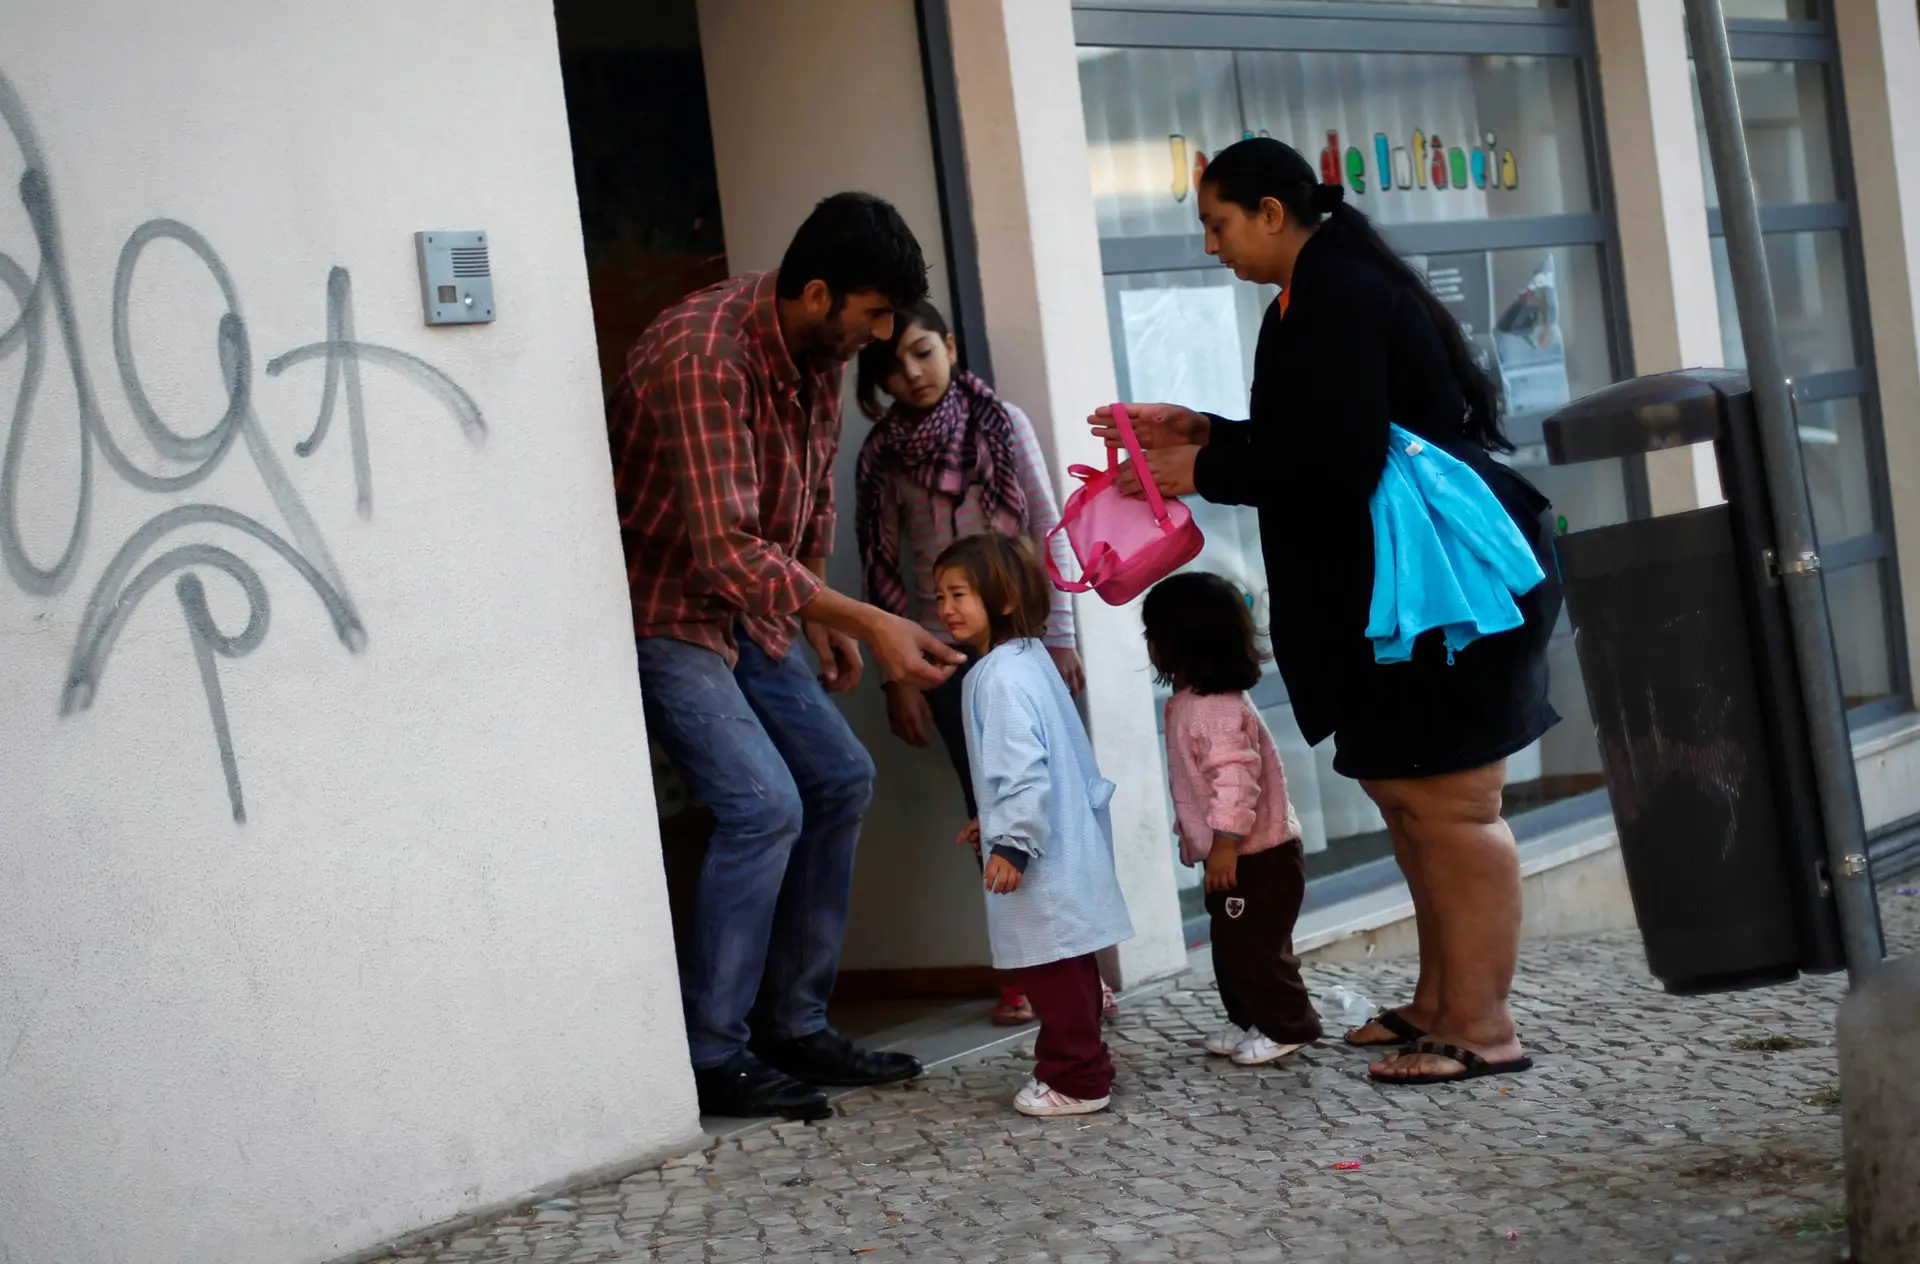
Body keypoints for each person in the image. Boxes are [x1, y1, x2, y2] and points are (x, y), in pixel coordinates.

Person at [1090, 138, 1560, 1087]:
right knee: (1409, 803)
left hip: (1441, 596)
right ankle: (1439, 1003)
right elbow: (1329, 436)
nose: (1210, 245)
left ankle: (1483, 1024)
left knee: (1454, 810)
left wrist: (1209, 469)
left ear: (1272, 211)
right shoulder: (1307, 298)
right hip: (1396, 597)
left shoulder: (1339, 292)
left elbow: (1340, 463)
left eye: (1217, 223)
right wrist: (1206, 432)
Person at [610, 191, 966, 1121]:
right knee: (762, 804)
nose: (886, 336)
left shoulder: (816, 350)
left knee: (840, 777)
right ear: (818, 292)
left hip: (751, 609)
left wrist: (815, 613)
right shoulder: (706, 355)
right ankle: (711, 1051)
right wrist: (868, 622)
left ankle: (794, 1025)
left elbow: (808, 496)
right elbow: (724, 546)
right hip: (664, 610)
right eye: (875, 313)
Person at [853, 300, 1116, 1028]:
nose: (912, 375)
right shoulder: (880, 455)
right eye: (893, 365)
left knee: (1053, 803)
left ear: (951, 344)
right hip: (940, 657)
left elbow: (1046, 525)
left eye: (923, 353)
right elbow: (883, 568)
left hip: (1024, 641)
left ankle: (1081, 968)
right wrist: (897, 675)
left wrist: (1059, 637)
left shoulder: (1001, 425)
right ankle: (1027, 973)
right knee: (990, 807)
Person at [936, 533, 1132, 1116]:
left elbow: (1023, 770)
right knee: (1069, 962)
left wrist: (1013, 844)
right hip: (1062, 838)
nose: (946, 608)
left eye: (959, 594)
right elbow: (1032, 762)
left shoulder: (996, 677)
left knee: (1052, 970)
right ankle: (1088, 1063)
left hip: (1042, 852)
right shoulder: (1029, 661)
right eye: (940, 596)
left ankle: (1076, 1080)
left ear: (1000, 598)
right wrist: (990, 820)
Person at [1142, 571, 1323, 1067]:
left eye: (1152, 635)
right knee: (1231, 944)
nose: (1149, 645)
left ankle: (1290, 1023)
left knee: (1257, 948)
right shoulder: (1190, 704)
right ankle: (1248, 1018)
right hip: (1235, 854)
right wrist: (1201, 842)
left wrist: (1222, 844)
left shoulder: (1213, 710)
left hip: (1255, 855)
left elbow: (1236, 779)